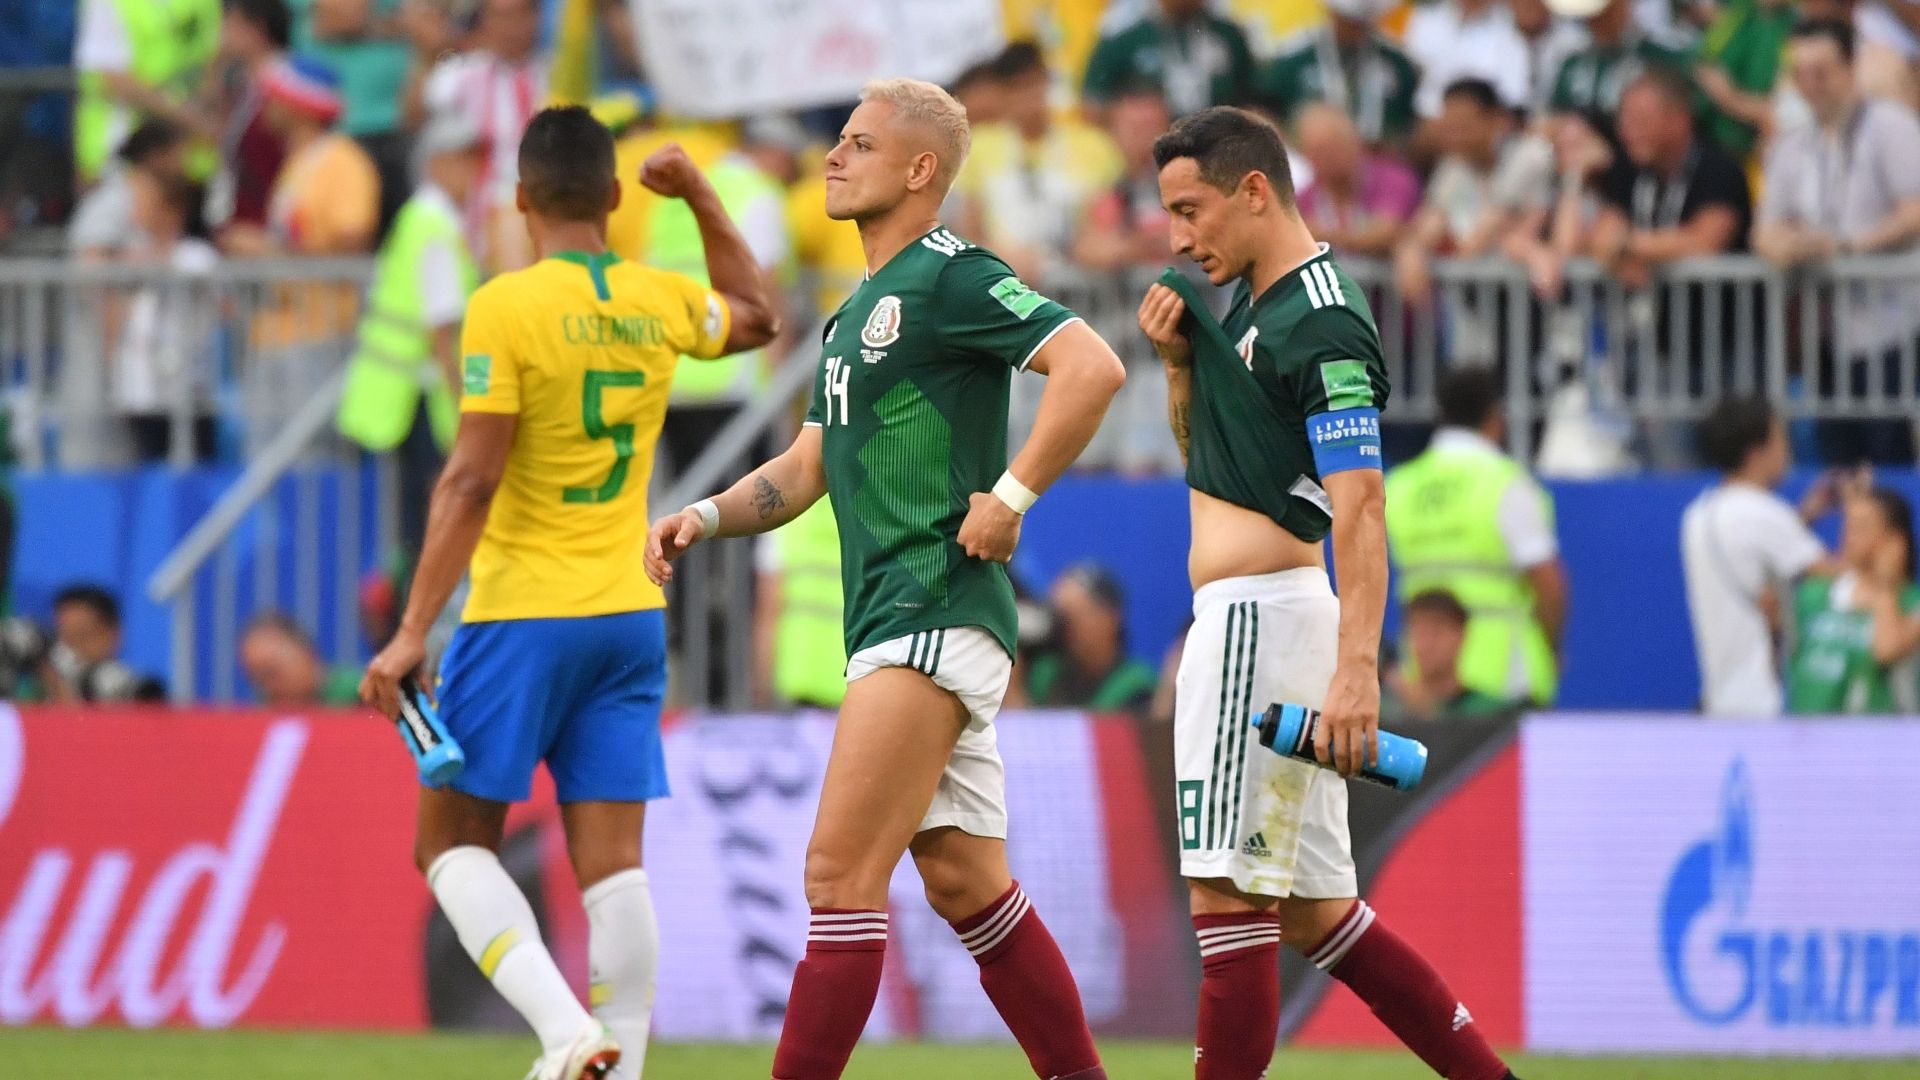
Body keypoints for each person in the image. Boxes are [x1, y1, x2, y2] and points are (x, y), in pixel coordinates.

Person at [645, 77, 1125, 1080]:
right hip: (900, 616)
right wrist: (703, 514)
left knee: (836, 875)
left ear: (919, 170)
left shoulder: (951, 274)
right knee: (965, 886)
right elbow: (806, 470)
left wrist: (1013, 493)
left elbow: (1091, 367)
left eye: (858, 144)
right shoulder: (857, 309)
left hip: (931, 604)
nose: (833, 156)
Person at [360, 106, 778, 1080]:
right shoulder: (654, 297)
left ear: (518, 199)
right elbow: (757, 317)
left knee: (450, 846)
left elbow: (468, 479)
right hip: (628, 615)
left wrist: (413, 628)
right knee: (615, 867)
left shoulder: (504, 306)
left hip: (521, 614)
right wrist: (706, 196)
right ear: (616, 198)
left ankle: (563, 1034)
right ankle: (618, 1066)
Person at [1137, 105, 1518, 1080]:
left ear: (1256, 189)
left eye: (1192, 209)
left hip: (1265, 623)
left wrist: (1357, 672)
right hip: (1256, 614)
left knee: (1226, 900)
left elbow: (1360, 509)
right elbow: (1217, 468)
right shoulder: (1257, 306)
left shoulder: (1323, 319)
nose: (1179, 237)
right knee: (1315, 914)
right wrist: (1182, 372)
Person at [1754, 19, 1920, 466]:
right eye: (1800, 72)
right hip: (1824, 331)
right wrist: (1787, 247)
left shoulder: (1890, 126)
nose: (1810, 84)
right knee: (1838, 454)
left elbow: (1915, 209)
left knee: (1890, 454)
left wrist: (1846, 248)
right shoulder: (1794, 144)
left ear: (1849, 67)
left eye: (1821, 71)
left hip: (1891, 327)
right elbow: (1765, 229)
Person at [336, 111, 486, 569]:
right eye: (463, 160)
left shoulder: (424, 219)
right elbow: (444, 330)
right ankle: (411, 620)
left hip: (399, 398)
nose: (474, 172)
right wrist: (472, 406)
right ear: (436, 164)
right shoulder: (435, 227)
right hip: (413, 400)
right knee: (423, 526)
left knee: (410, 525)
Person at [1386, 367, 1569, 706]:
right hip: (1506, 681)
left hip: (1423, 681)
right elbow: (1548, 583)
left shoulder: (1401, 485)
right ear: (1495, 419)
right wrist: (1553, 648)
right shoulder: (1506, 483)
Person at [1682, 395, 1847, 716]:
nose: (1788, 449)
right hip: (1764, 705)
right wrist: (1860, 510)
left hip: (1720, 700)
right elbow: (1843, 578)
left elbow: (1753, 549)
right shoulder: (1766, 514)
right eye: (1781, 437)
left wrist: (1806, 516)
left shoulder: (1697, 514)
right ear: (1756, 452)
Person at [955, 42, 1123, 284]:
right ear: (1002, 94)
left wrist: (1083, 249)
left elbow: (1106, 224)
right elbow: (967, 232)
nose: (1028, 98)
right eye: (1017, 88)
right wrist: (1001, 258)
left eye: (1033, 84)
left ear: (1047, 82)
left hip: (1079, 284)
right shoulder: (979, 147)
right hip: (1006, 284)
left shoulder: (1093, 144)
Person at [1394, 79, 1555, 309]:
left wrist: (1456, 252)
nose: (1455, 135)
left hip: (1537, 299)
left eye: (1464, 125)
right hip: (1482, 304)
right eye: (1449, 126)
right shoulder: (1453, 168)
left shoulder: (1530, 155)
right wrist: (1411, 251)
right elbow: (1429, 224)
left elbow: (1483, 236)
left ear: (1497, 120)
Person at [415, 0, 550, 273]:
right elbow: (416, 115)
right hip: (479, 218)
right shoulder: (460, 76)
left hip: (542, 210)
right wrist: (432, 50)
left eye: (519, 16)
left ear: (536, 18)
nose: (510, 28)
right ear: (484, 21)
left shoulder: (554, 74)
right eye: (500, 17)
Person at [1591, 68, 1751, 293]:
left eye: (1641, 120)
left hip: (1719, 322)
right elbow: (1603, 235)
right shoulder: (1628, 166)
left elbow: (1705, 242)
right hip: (1654, 324)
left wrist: (1627, 246)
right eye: (1624, 120)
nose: (1627, 131)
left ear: (1680, 119)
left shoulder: (1719, 168)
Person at [108, 168, 221, 463]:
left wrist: (156, 262)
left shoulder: (195, 255)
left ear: (170, 211)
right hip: (141, 392)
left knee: (191, 470)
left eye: (142, 201)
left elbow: (221, 300)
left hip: (185, 390)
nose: (134, 209)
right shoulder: (134, 256)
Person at [1786, 487, 1920, 713]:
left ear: (1895, 540)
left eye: (1862, 528)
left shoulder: (1911, 603)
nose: (1849, 536)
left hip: (1880, 740)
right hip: (1807, 738)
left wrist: (1885, 582)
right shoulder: (1813, 595)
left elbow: (1886, 650)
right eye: (1847, 526)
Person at [72, 0, 220, 186]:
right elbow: (115, 80)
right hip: (120, 158)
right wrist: (192, 120)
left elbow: (217, 56)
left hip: (192, 161)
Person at [1258, 0, 1419, 148]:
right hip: (1306, 160)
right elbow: (1265, 111)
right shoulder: (1294, 59)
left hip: (1380, 164)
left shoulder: (1397, 65)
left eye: (1361, 24)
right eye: (1348, 21)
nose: (1355, 30)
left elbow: (1410, 125)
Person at [1081, 0, 1259, 120]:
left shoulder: (1229, 36)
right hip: (1149, 156)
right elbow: (1092, 103)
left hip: (1220, 148)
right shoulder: (1126, 39)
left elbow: (1255, 101)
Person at [203, 0, 289, 243]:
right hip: (239, 208)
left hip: (270, 212)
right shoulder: (240, 84)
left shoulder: (286, 83)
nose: (223, 35)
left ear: (256, 28)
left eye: (230, 24)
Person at [1025, 563, 1158, 715]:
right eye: (1060, 617)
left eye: (1074, 616)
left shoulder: (1136, 686)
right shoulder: (1044, 673)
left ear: (1110, 619)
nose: (1065, 628)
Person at [1293, 103, 1421, 259]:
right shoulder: (1303, 198)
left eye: (1332, 147)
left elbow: (1386, 232)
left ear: (1354, 142)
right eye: (1316, 151)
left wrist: (1321, 234)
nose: (1326, 158)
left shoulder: (1393, 179)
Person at [1543, 0, 1690, 128]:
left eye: (1604, 13)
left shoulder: (1663, 60)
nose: (1596, 21)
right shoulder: (1572, 66)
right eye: (1591, 15)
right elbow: (1557, 120)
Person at [1384, 590, 1522, 720]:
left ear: (1462, 635)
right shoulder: (1386, 712)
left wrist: (1428, 710)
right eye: (1418, 631)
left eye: (1437, 631)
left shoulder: (1491, 712)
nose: (1427, 644)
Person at [1693, 0, 1798, 161]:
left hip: (1755, 150)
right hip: (1707, 136)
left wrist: (1731, 99)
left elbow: (1776, 111)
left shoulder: (1796, 26)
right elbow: (1702, 66)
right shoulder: (1738, 12)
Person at [1403, 0, 1533, 122]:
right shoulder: (1422, 20)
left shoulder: (1511, 42)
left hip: (1472, 131)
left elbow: (1513, 103)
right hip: (1418, 122)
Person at [47, 584, 166, 703]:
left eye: (83, 635)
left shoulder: (135, 692)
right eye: (65, 638)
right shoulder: (42, 689)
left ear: (113, 634)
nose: (72, 649)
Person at [241, 610, 360, 706]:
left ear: (306, 652)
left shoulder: (361, 693)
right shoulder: (267, 718)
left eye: (271, 672)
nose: (268, 688)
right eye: (257, 679)